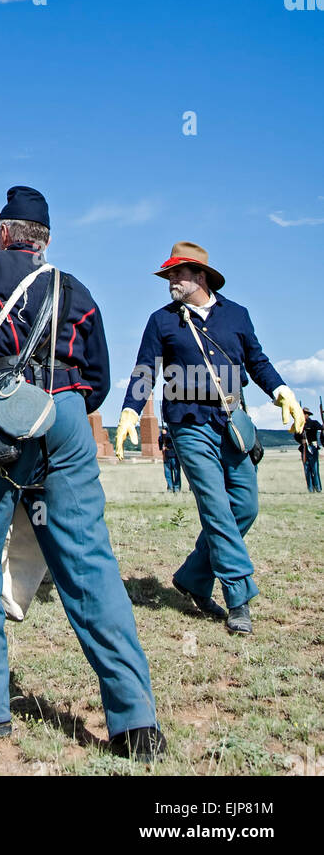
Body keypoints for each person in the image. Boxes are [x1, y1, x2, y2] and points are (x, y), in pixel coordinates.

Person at [0, 185, 164, 760]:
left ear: (3, 232)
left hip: (1, 411)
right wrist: (65, 409)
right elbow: (97, 377)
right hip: (68, 416)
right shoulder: (80, 290)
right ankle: (135, 723)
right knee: (90, 563)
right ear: (44, 242)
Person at [117, 241, 305, 635]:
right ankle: (239, 598)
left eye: (177, 274)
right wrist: (132, 410)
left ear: (200, 276)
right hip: (187, 425)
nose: (171, 280)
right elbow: (145, 369)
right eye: (168, 274)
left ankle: (192, 577)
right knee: (217, 508)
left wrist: (282, 391)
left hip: (232, 423)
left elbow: (257, 361)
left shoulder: (237, 315)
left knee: (245, 506)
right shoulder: (162, 320)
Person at [297, 408, 323, 494]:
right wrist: (301, 441)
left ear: (308, 414)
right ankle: (310, 489)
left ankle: (318, 488)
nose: (304, 415)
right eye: (303, 413)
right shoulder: (299, 424)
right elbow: (296, 435)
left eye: (306, 413)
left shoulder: (314, 423)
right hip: (304, 449)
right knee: (307, 470)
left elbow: (321, 428)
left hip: (313, 448)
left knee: (315, 470)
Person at [159, 425, 182, 492]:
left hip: (174, 455)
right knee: (167, 473)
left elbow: (171, 437)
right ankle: (170, 487)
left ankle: (177, 487)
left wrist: (165, 434)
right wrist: (162, 436)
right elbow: (160, 443)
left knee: (176, 472)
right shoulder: (163, 436)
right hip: (166, 456)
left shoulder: (173, 433)